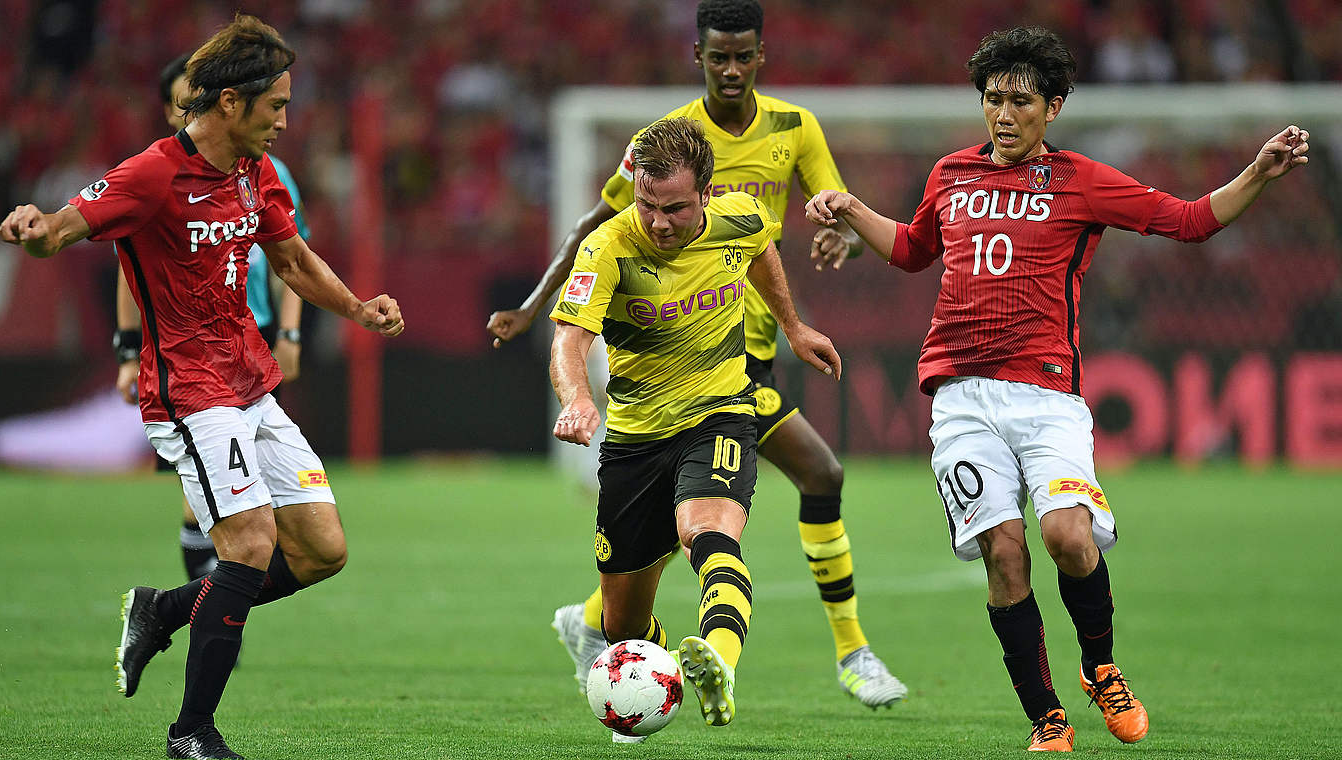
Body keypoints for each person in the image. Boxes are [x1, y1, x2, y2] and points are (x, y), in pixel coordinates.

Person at [805, 26, 1309, 753]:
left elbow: (1191, 222)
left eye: (1020, 101)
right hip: (962, 400)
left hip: (1047, 400)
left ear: (1054, 106)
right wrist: (851, 210)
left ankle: (1100, 665)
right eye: (992, 99)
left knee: (1067, 536)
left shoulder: (1083, 180)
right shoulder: (950, 173)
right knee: (1004, 553)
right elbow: (915, 251)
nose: (1003, 115)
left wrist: (1258, 171)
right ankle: (1046, 716)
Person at [0, 15, 404, 760]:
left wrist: (357, 307)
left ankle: (163, 609)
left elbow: (292, 260)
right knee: (248, 545)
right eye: (275, 105)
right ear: (228, 103)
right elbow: (65, 227)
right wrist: (35, 225)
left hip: (252, 383)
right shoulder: (152, 172)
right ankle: (191, 732)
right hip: (190, 393)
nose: (285, 120)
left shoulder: (254, 173)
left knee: (321, 552)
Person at [488, 0, 908, 710]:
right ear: (700, 57)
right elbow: (583, 288)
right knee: (628, 612)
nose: (733, 69)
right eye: (720, 56)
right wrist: (564, 365)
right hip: (641, 417)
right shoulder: (650, 167)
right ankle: (601, 627)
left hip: (733, 383)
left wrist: (802, 311)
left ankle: (807, 654)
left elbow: (785, 230)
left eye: (745, 55)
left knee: (738, 516)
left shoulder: (785, 141)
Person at [550, 116, 840, 738]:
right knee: (624, 624)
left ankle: (720, 665)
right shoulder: (609, 246)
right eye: (647, 204)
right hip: (632, 438)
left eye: (675, 209)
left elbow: (761, 249)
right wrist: (576, 398)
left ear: (707, 193)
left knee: (706, 530)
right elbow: (569, 340)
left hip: (721, 411)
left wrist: (792, 326)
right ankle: (636, 661)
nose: (657, 222)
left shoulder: (738, 215)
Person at [113, 52, 310, 584]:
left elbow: (294, 259)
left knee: (256, 503)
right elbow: (129, 271)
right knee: (207, 498)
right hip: (183, 350)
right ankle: (209, 610)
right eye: (181, 102)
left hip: (251, 338)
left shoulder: (267, 168)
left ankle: (202, 608)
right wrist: (131, 351)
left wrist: (289, 332)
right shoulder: (153, 176)